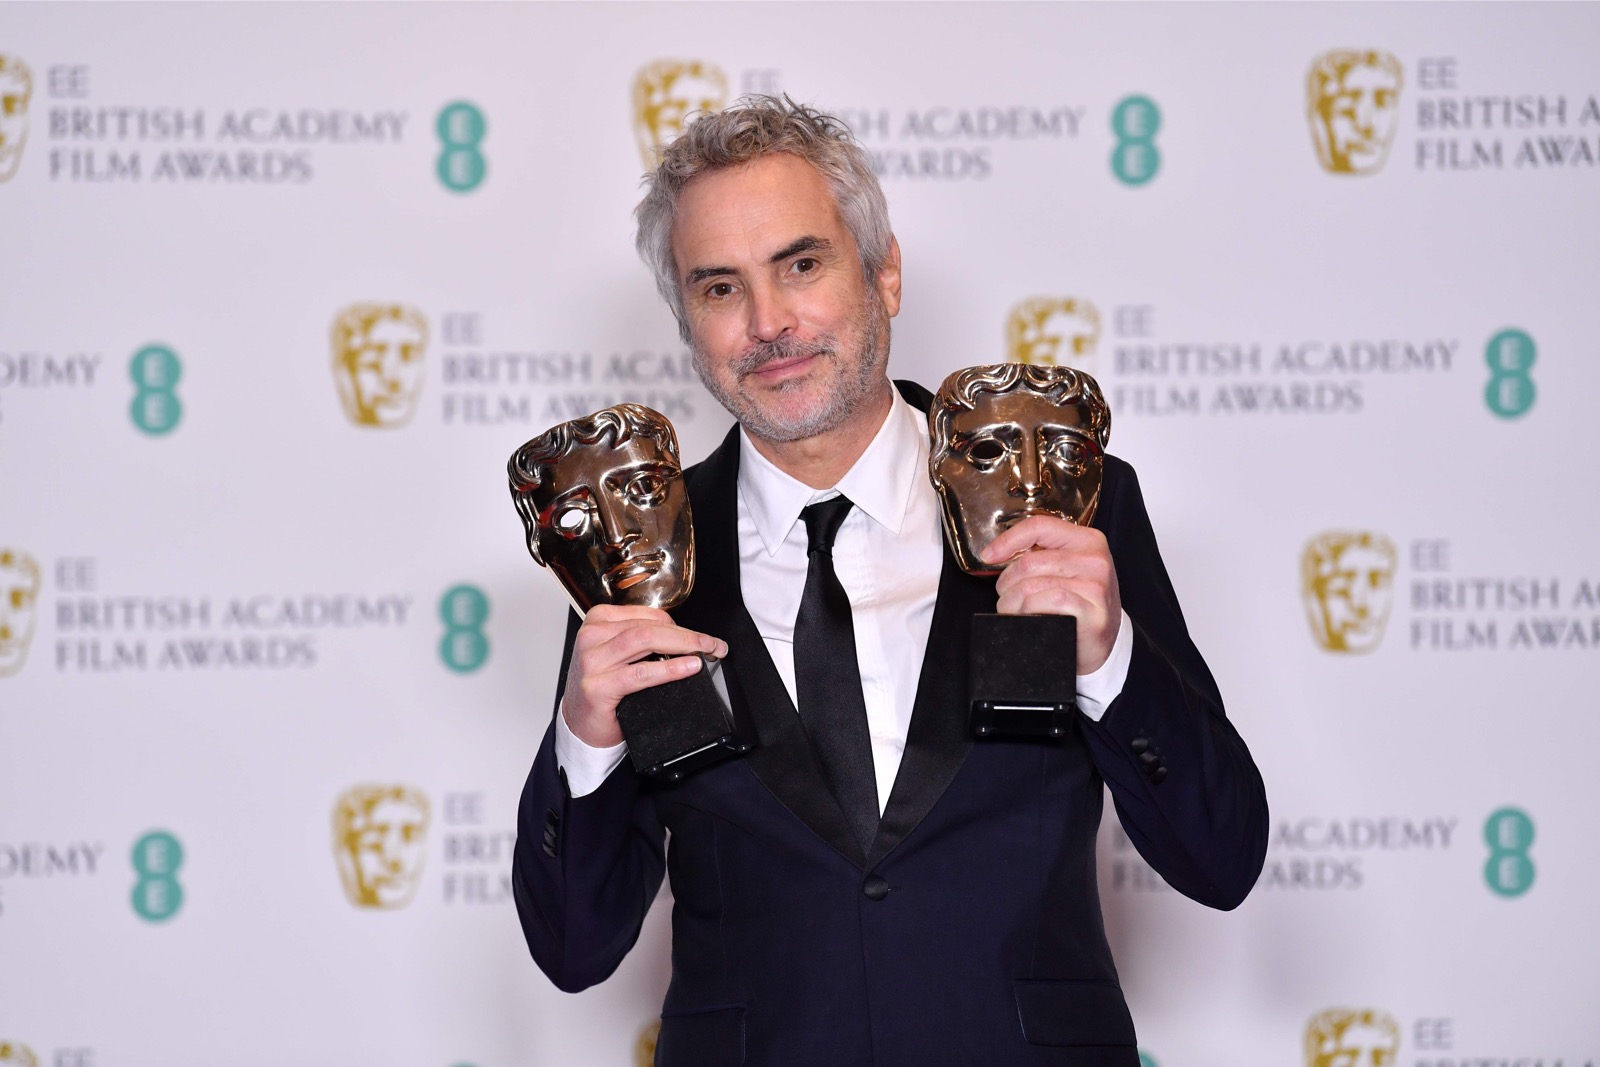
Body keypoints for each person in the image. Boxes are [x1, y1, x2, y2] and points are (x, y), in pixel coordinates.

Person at [512, 96, 1268, 1065]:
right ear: (686, 320)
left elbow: (1221, 856)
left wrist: (1112, 660)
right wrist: (583, 740)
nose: (767, 323)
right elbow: (575, 949)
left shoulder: (1063, 505)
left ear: (885, 271)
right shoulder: (639, 564)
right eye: (718, 288)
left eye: (801, 263)